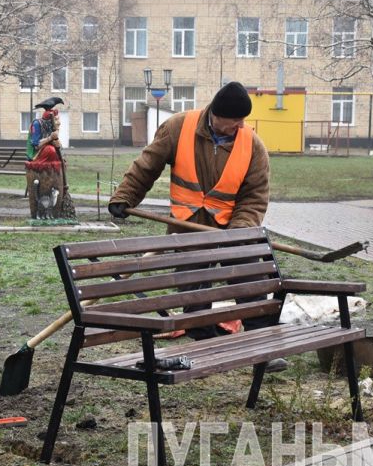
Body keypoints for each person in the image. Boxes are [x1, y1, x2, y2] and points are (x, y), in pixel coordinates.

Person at [107, 81, 286, 372]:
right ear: (213, 114)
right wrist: (124, 197)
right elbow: (146, 166)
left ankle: (261, 348)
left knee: (251, 281)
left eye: (239, 124)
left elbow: (255, 197)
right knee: (193, 288)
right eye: (229, 125)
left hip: (234, 229)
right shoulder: (178, 127)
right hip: (186, 224)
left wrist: (240, 232)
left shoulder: (252, 145)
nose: (234, 130)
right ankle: (204, 343)